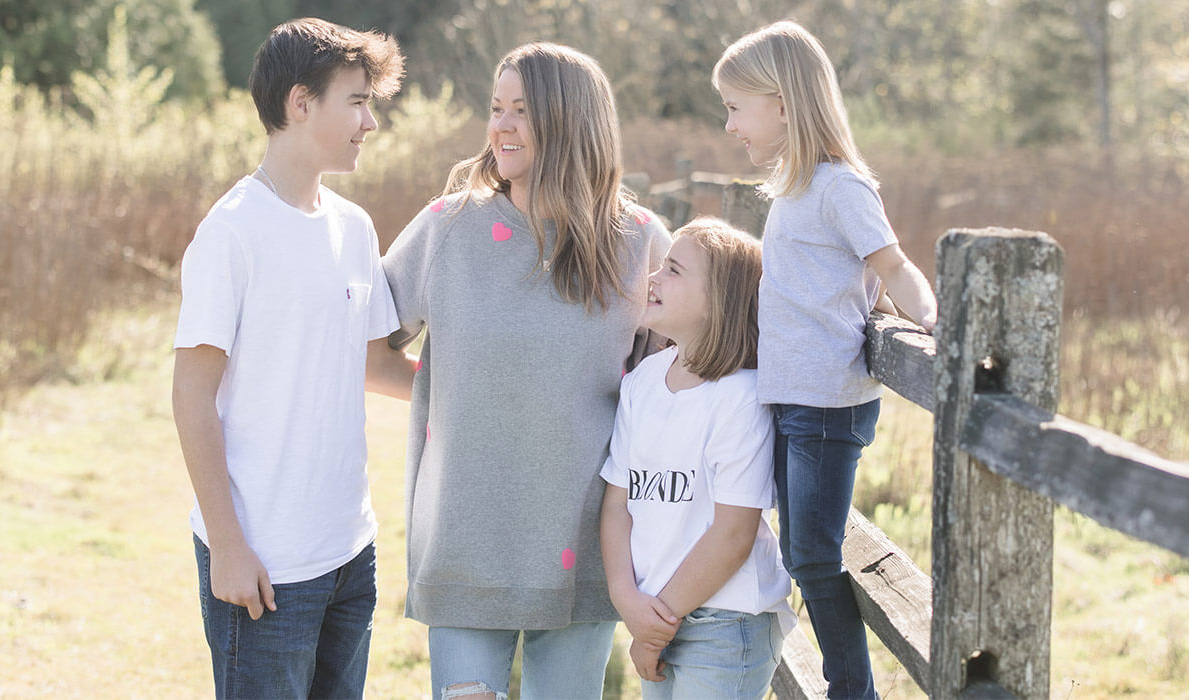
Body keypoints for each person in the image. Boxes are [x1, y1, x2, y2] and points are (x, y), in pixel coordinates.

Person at [381, 42, 672, 700]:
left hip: (585, 546)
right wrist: (461, 393)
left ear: (570, 121)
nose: (501, 126)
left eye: (522, 110)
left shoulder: (640, 242)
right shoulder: (448, 229)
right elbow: (368, 352)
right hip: (464, 540)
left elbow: (676, 385)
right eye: (496, 108)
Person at [171, 18, 415, 699]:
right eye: (357, 102)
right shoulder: (231, 232)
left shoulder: (354, 227)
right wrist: (227, 545)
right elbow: (191, 396)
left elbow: (375, 366)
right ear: (300, 103)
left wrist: (473, 391)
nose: (370, 122)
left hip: (349, 552)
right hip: (263, 564)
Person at [713, 20, 939, 700]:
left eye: (736, 108)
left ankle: (851, 692)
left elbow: (891, 265)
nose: (730, 125)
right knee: (800, 551)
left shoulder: (841, 186)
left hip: (825, 404)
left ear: (783, 105)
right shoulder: (793, 188)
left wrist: (934, 322)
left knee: (811, 555)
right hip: (792, 399)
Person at [598, 218, 796, 699]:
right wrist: (627, 599)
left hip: (725, 622)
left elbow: (732, 534)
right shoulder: (642, 382)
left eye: (673, 269)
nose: (653, 276)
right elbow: (617, 505)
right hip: (654, 613)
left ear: (717, 301)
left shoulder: (740, 396)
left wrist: (655, 625)